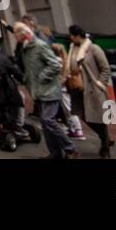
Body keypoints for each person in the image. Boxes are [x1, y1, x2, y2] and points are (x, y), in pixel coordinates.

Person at [15, 21, 75, 159]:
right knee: (45, 122)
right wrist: (27, 78)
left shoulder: (40, 45)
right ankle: (55, 153)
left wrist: (41, 77)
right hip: (38, 90)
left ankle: (69, 147)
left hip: (49, 89)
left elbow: (54, 64)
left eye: (16, 34)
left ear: (23, 35)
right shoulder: (25, 48)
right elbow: (30, 68)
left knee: (48, 120)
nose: (15, 37)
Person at [67, 25, 115, 157]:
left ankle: (105, 147)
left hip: (92, 89)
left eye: (72, 35)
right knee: (82, 115)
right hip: (77, 88)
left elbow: (105, 69)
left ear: (78, 36)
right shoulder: (72, 48)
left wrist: (100, 83)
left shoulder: (94, 49)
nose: (70, 38)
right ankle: (105, 138)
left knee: (99, 118)